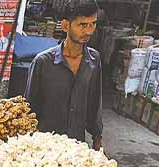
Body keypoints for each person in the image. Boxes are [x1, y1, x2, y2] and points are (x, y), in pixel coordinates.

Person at [25, 0, 103, 149]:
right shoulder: (42, 62)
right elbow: (30, 107)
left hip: (77, 146)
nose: (89, 31)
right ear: (66, 25)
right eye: (82, 25)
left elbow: (94, 101)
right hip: (45, 146)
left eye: (93, 24)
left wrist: (97, 136)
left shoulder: (94, 60)